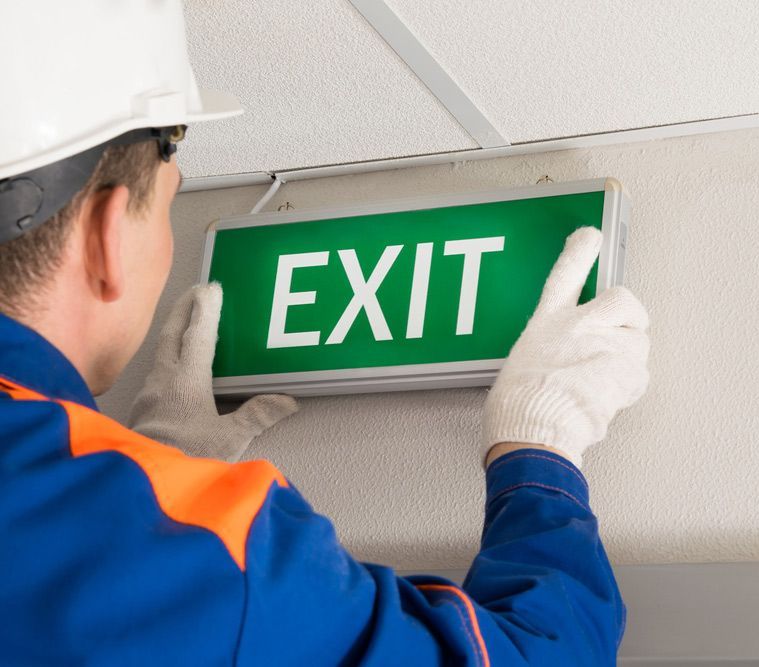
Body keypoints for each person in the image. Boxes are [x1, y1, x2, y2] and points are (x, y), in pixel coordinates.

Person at [0, 2, 650, 665]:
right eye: (169, 204)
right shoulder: (201, 553)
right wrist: (539, 448)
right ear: (110, 235)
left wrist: (157, 472)